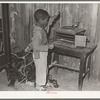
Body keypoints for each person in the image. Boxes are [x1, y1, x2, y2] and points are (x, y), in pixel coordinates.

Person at [25, 9, 60, 91]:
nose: (48, 22)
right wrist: (48, 47)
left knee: (44, 68)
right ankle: (39, 86)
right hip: (39, 54)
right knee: (41, 70)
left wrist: (55, 15)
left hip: (43, 53)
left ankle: (43, 82)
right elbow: (36, 47)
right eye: (47, 20)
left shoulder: (41, 26)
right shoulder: (37, 32)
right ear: (41, 21)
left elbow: (50, 21)